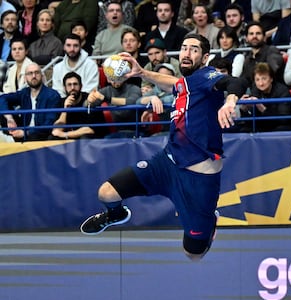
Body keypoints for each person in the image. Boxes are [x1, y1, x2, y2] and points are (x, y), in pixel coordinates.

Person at [80, 33, 247, 261]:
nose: (187, 53)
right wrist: (142, 73)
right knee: (106, 193)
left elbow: (236, 82)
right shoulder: (185, 83)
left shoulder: (207, 76)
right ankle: (116, 214)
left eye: (194, 49)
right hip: (167, 163)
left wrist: (230, 101)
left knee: (193, 253)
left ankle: (210, 222)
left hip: (197, 183)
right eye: (184, 48)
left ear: (205, 56)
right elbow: (174, 84)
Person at [0, 62, 61, 141]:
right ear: (25, 78)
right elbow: (2, 98)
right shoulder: (24, 93)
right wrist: (9, 118)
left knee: (36, 134)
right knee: (3, 113)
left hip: (40, 135)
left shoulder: (53, 95)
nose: (34, 76)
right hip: (23, 130)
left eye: (37, 73)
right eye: (30, 73)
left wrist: (25, 133)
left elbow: (48, 124)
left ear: (42, 76)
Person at [239, 62, 291, 132]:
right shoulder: (255, 90)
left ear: (271, 79)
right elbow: (251, 121)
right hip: (265, 125)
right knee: (245, 130)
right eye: (257, 80)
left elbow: (284, 119)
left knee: (279, 130)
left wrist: (262, 108)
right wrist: (244, 109)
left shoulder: (283, 91)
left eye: (264, 79)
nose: (261, 83)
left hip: (285, 125)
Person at [50, 71, 109, 139]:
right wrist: (65, 110)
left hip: (91, 137)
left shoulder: (90, 100)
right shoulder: (61, 102)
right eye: (69, 85)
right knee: (52, 138)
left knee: (84, 138)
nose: (72, 88)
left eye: (75, 84)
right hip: (70, 138)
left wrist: (66, 134)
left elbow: (90, 129)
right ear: (64, 88)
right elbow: (56, 130)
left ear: (81, 86)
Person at [86, 69, 141, 138]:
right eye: (112, 78)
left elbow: (131, 102)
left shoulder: (134, 88)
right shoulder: (106, 90)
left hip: (137, 130)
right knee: (105, 141)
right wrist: (89, 100)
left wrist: (107, 99)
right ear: (108, 79)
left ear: (124, 77)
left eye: (117, 77)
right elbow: (89, 105)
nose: (114, 80)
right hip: (117, 133)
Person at [240, 21, 285, 89]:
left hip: (273, 93)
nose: (254, 36)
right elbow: (244, 79)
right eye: (251, 34)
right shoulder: (248, 58)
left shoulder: (271, 50)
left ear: (264, 37)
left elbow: (270, 72)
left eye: (258, 33)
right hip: (254, 93)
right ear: (246, 38)